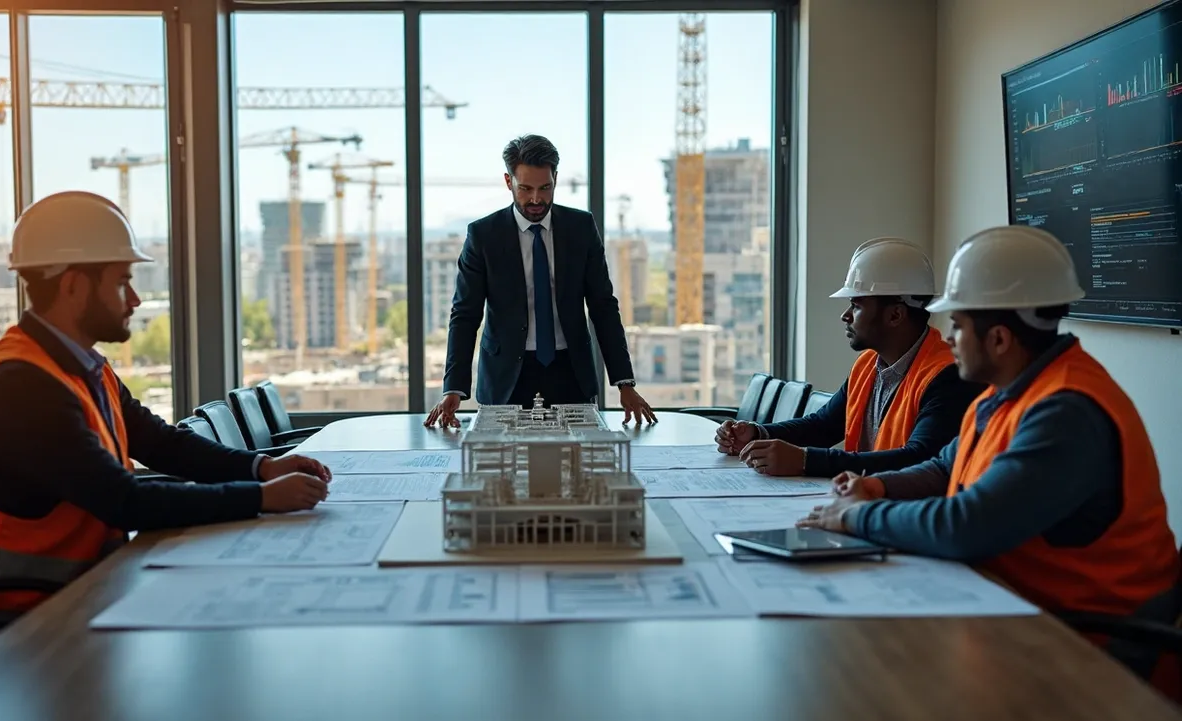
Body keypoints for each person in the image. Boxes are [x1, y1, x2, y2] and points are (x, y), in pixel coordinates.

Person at [0, 192, 333, 660]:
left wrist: (262, 468)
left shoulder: (80, 368)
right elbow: (123, 500)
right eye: (121, 282)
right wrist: (260, 499)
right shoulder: (20, 388)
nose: (134, 299)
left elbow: (162, 444)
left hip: (65, 602)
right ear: (73, 286)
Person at [799, 225, 1181, 692]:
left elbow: (967, 527)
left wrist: (858, 516)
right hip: (1017, 614)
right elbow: (944, 466)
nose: (949, 338)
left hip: (1093, 653)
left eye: (958, 325)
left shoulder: (1065, 411)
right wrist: (878, 487)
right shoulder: (1006, 394)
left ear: (999, 339)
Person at [424, 134, 656, 428]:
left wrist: (624, 382)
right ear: (509, 182)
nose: (536, 199)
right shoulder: (483, 236)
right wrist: (454, 387)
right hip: (505, 376)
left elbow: (603, 307)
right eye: (526, 188)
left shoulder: (581, 228)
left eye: (545, 188)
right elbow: (465, 314)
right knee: (502, 470)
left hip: (571, 372)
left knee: (576, 468)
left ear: (556, 179)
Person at [714, 237, 983, 477]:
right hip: (865, 503)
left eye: (856, 305)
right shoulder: (868, 365)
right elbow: (823, 426)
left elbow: (919, 458)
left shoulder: (947, 376)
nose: (845, 315)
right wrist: (759, 433)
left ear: (895, 315)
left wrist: (807, 461)